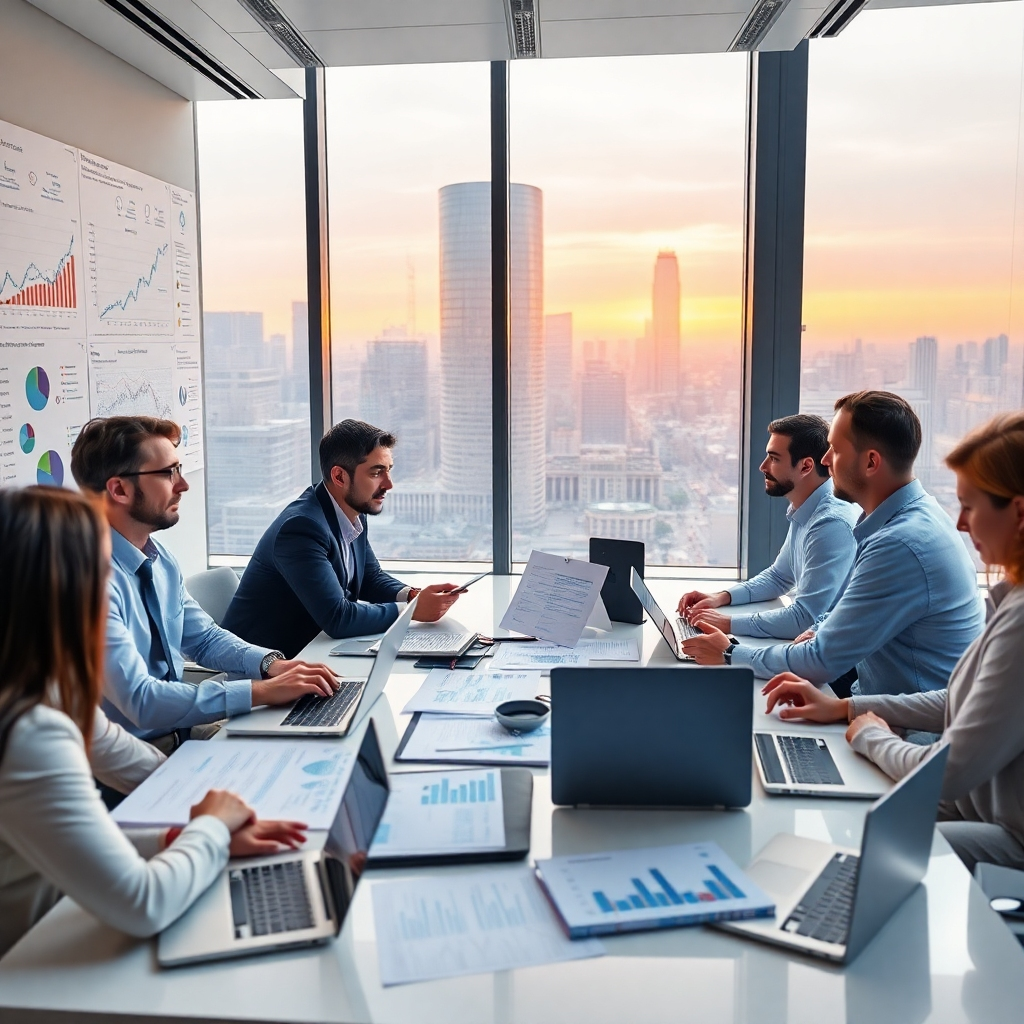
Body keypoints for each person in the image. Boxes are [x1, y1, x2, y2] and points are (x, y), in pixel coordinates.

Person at [0, 486, 308, 957]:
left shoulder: (44, 688)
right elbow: (143, 905)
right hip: (28, 961)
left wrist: (192, 827)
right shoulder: (29, 729)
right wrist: (210, 828)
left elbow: (125, 764)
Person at [762, 412, 1024, 872]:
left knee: (870, 849)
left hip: (1005, 828)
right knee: (835, 822)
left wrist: (870, 736)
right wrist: (846, 709)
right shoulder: (1012, 597)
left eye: (971, 506)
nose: (961, 524)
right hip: (982, 802)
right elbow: (963, 701)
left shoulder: (1016, 616)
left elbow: (951, 772)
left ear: (1018, 513)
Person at [682, 391, 983, 697]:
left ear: (870, 462)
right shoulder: (910, 517)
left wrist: (732, 652)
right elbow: (849, 607)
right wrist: (821, 628)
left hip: (910, 728)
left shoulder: (899, 544)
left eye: (835, 451)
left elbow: (821, 660)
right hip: (875, 698)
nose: (825, 461)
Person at [70, 416, 340, 747]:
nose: (183, 485)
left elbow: (204, 639)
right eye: (169, 473)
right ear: (120, 489)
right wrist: (260, 691)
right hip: (130, 755)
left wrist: (273, 666)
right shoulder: (87, 583)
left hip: (181, 733)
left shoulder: (160, 559)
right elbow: (142, 701)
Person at [222, 419, 461, 658]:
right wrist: (412, 610)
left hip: (311, 654)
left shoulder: (351, 509)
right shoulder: (300, 528)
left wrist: (410, 595)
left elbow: (369, 577)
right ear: (339, 476)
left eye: (389, 470)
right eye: (377, 472)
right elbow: (338, 618)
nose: (388, 484)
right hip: (259, 667)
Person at [678, 414, 858, 640]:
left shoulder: (830, 524)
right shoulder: (805, 508)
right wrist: (720, 597)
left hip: (834, 662)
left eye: (774, 458)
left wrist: (727, 623)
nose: (763, 466)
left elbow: (805, 619)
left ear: (805, 466)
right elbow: (779, 577)